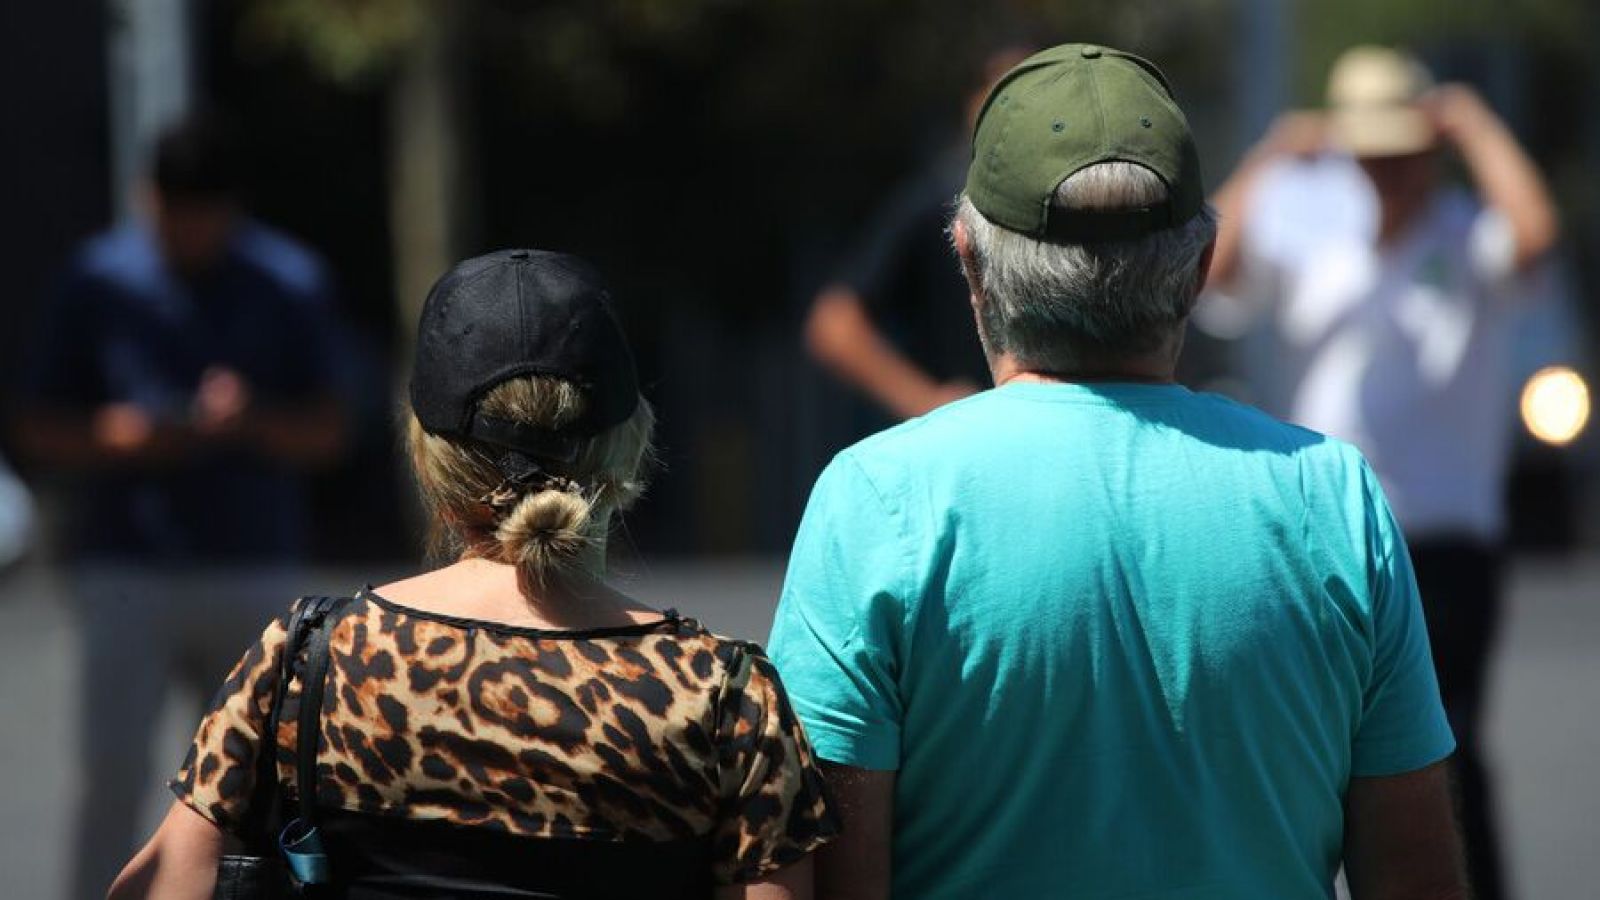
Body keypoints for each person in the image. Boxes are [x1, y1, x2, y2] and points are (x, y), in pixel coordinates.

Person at [768, 44, 1468, 899]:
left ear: (970, 262)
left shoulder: (876, 499)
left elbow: (819, 871)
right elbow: (1414, 877)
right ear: (1200, 271)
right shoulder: (1333, 496)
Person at [108, 249, 839, 899]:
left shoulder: (310, 663)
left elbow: (164, 885)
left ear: (427, 453)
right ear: (628, 444)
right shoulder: (722, 697)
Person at [1206, 46, 1559, 900]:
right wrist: (1269, 156)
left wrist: (1474, 124)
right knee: (1316, 748)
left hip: (1442, 541)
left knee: (1446, 750)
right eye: (1371, 153)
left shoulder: (1467, 232)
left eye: (1401, 151)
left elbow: (1537, 237)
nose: (1387, 170)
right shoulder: (1308, 227)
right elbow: (1206, 272)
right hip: (1323, 539)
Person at [10, 115, 351, 900]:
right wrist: (127, 437)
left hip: (251, 564)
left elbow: (331, 432)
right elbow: (37, 426)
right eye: (174, 216)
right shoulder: (98, 279)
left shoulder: (289, 280)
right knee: (113, 773)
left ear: (232, 207)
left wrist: (252, 421)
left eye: (204, 216)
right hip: (127, 564)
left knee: (262, 781)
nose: (189, 234)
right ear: (148, 199)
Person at [804, 46, 1030, 420]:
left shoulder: (1078, 196)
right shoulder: (938, 198)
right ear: (972, 102)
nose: (1017, 115)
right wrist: (927, 402)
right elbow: (835, 323)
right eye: (1001, 97)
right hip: (969, 428)